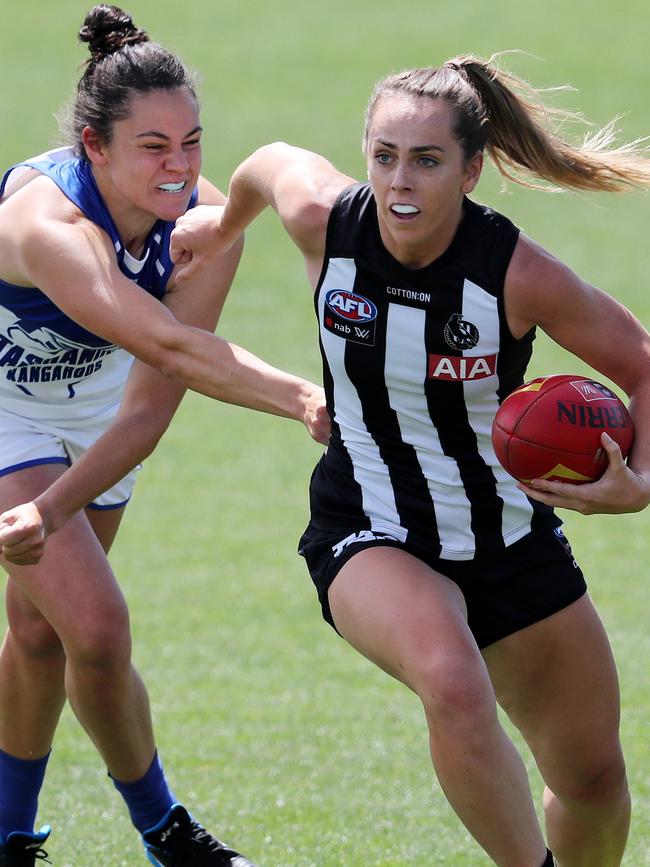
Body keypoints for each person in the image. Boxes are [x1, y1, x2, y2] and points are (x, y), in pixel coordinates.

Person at [165, 56, 650, 866]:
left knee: (593, 777)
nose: (401, 181)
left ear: (471, 169)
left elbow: (640, 360)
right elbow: (267, 161)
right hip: (369, 527)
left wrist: (642, 484)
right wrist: (220, 228)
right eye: (384, 154)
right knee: (451, 678)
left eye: (426, 160)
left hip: (507, 539)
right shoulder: (326, 219)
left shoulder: (516, 273)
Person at [0, 4, 328, 866]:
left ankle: (6, 835)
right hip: (6, 403)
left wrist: (56, 507)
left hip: (100, 402)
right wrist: (301, 396)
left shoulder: (206, 225)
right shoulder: (49, 229)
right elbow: (175, 343)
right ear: (93, 146)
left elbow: (152, 401)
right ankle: (166, 831)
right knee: (98, 629)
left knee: (41, 629)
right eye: (152, 147)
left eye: (191, 142)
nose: (180, 167)